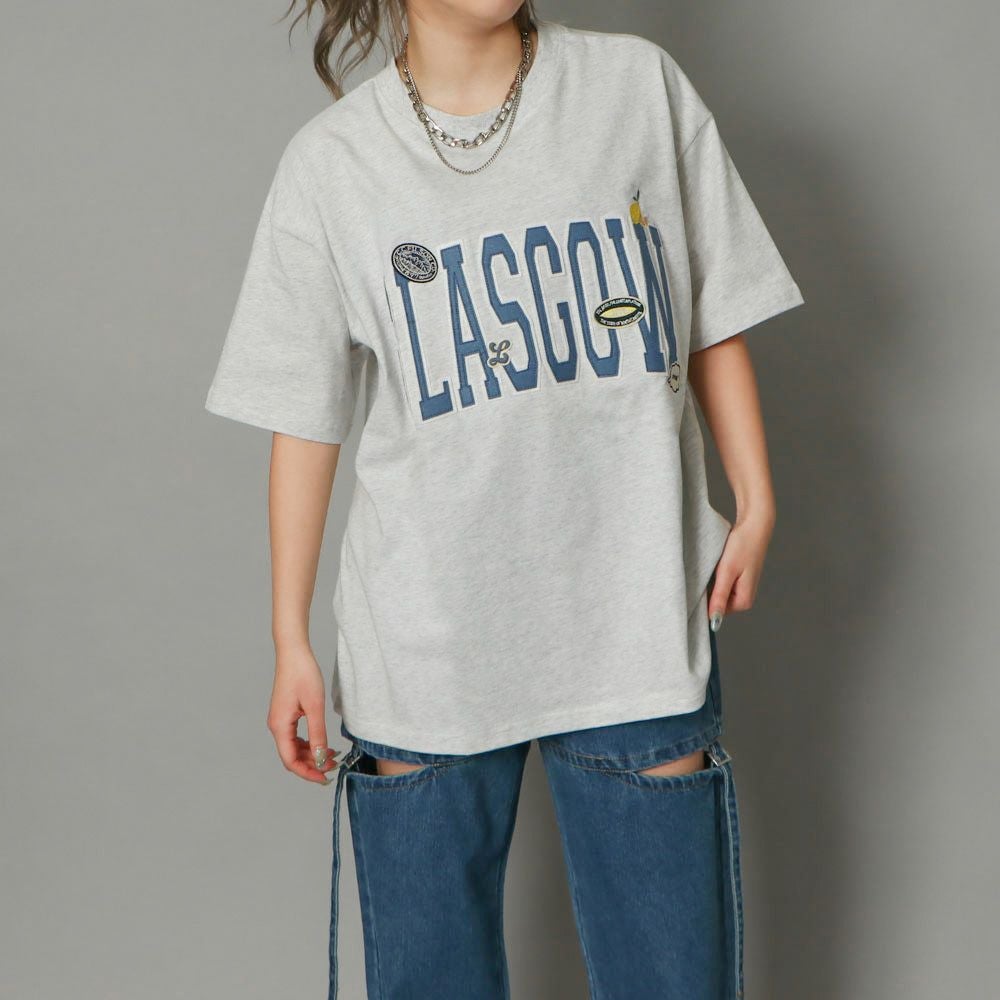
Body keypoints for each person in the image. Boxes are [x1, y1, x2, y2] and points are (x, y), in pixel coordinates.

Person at [204, 3, 804, 997]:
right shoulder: (332, 162)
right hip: (427, 640)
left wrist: (758, 494)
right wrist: (290, 639)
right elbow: (302, 419)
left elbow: (711, 299)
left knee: (672, 979)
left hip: (634, 618)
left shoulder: (633, 87)